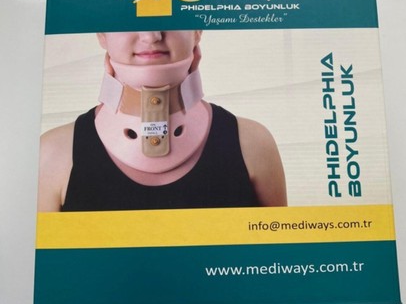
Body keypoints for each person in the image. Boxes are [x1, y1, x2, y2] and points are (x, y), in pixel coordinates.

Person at [37, 30, 287, 211]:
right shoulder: (53, 154)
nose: (151, 36)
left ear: (197, 31)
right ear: (102, 34)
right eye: (127, 21)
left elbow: (276, 259)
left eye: (171, 19)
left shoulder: (253, 144)